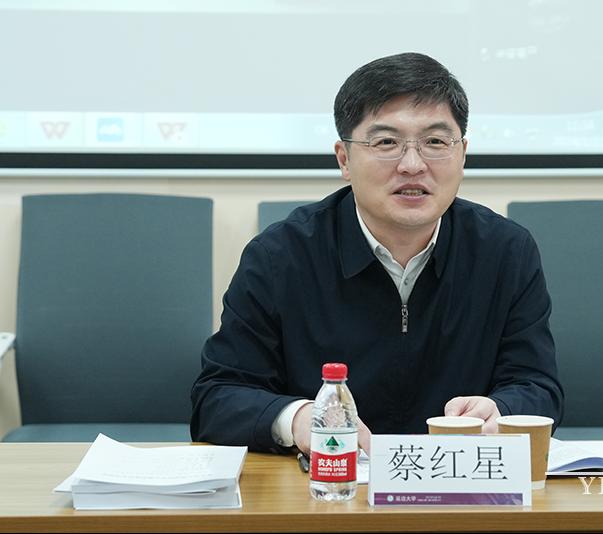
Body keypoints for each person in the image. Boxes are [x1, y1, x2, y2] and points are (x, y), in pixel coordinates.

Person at [191, 52, 563, 454]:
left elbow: (538, 386)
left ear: (462, 154)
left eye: (435, 142)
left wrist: (501, 411)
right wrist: (298, 419)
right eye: (386, 142)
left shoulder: (506, 252)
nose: (412, 165)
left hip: (459, 481)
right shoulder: (280, 256)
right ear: (344, 159)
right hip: (328, 484)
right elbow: (217, 399)